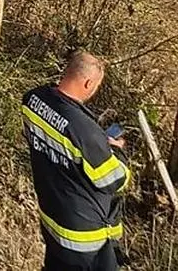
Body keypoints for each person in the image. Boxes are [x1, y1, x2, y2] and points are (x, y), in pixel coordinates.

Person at [22, 51, 131, 271]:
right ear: (88, 83)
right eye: (96, 86)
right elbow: (115, 181)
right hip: (85, 239)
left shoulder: (33, 100)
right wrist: (115, 151)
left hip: (53, 222)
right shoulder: (85, 132)